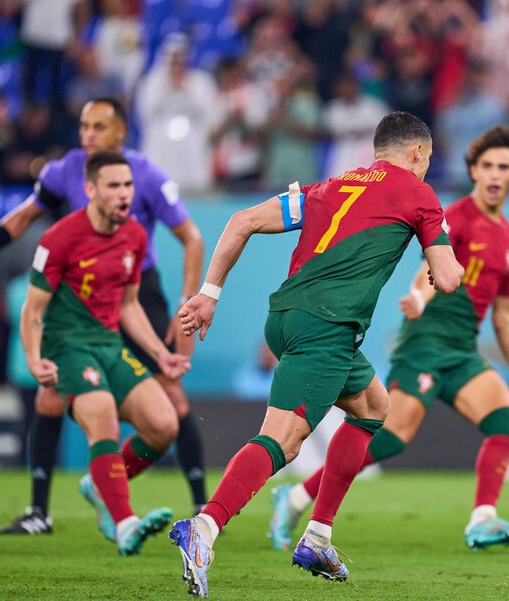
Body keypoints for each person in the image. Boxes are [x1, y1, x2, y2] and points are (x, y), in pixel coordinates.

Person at [169, 111, 463, 598]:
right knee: (283, 442)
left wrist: (209, 293)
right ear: (416, 153)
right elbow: (449, 278)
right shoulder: (419, 194)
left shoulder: (331, 186)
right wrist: (440, 257)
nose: (427, 168)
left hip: (287, 319)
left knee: (373, 407)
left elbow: (242, 221)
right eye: (428, 159)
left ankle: (318, 536)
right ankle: (203, 528)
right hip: (327, 327)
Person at [268, 125, 509, 554]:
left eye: (503, 168)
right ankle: (299, 494)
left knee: (505, 421)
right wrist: (418, 295)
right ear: (473, 170)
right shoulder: (455, 215)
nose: (494, 175)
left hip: (462, 351)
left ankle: (482, 520)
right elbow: (431, 268)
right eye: (486, 165)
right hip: (424, 345)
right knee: (391, 436)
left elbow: (504, 317)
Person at [0, 97, 208, 536]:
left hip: (134, 287)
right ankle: (41, 510)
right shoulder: (65, 177)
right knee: (51, 396)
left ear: (120, 133)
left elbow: (191, 238)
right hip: (77, 295)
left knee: (172, 401)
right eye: (83, 126)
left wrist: (187, 302)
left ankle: (200, 504)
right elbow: (24, 217)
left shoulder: (142, 176)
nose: (88, 135)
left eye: (98, 126)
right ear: (93, 190)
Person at [20, 151, 190, 554]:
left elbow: (129, 306)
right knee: (103, 419)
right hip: (69, 347)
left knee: (164, 425)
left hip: (110, 345)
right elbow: (33, 309)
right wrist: (33, 358)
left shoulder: (135, 236)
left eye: (128, 185)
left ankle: (101, 486)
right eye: (114, 186)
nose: (124, 194)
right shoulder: (59, 237)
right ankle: (125, 522)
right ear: (90, 190)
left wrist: (159, 353)